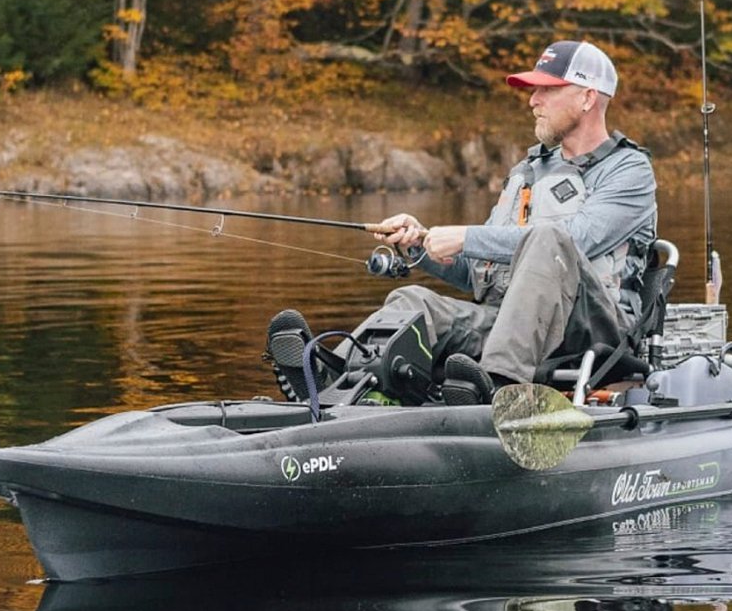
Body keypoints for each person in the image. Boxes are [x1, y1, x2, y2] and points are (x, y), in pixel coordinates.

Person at [268, 39, 657, 405]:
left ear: (588, 97)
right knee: (413, 302)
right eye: (532, 90)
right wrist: (419, 246)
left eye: (547, 90)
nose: (532, 101)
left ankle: (498, 390)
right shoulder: (528, 171)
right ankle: (328, 378)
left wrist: (467, 237)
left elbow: (578, 238)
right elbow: (479, 275)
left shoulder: (628, 170)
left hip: (593, 331)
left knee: (550, 239)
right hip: (510, 327)